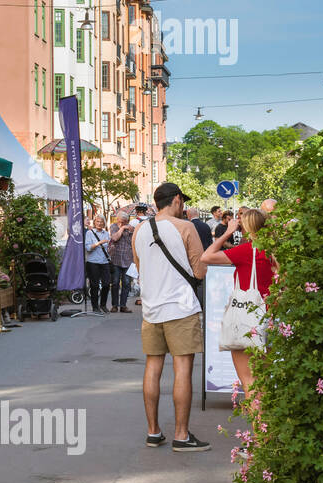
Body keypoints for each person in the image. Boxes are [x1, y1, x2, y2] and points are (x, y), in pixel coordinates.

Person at [132, 183, 210, 452]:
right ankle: (181, 435)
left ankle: (153, 432)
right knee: (182, 370)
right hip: (180, 308)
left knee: (152, 368)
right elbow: (200, 272)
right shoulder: (186, 227)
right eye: (182, 202)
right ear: (177, 200)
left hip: (151, 310)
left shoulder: (139, 230)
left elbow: (141, 268)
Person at [200, 209, 274, 396]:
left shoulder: (247, 251)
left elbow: (206, 257)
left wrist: (227, 232)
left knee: (248, 380)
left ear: (246, 228)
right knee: (264, 379)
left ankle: (258, 425)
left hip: (246, 320)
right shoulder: (274, 250)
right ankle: (267, 424)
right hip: (270, 316)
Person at [107, 215, 136, 313]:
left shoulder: (132, 228)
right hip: (116, 259)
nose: (120, 223)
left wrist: (130, 231)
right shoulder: (114, 226)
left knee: (127, 283)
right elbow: (115, 238)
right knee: (115, 283)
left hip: (128, 260)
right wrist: (122, 228)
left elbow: (133, 242)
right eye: (119, 221)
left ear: (127, 221)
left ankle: (123, 305)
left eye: (123, 222)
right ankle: (114, 305)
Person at [84, 215, 112, 312]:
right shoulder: (89, 233)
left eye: (101, 222)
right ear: (94, 223)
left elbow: (108, 247)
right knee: (94, 285)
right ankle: (95, 307)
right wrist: (99, 243)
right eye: (97, 221)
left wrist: (111, 248)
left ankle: (103, 305)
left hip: (104, 261)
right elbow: (88, 248)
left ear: (104, 223)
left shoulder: (106, 233)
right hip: (93, 262)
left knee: (106, 284)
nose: (99, 223)